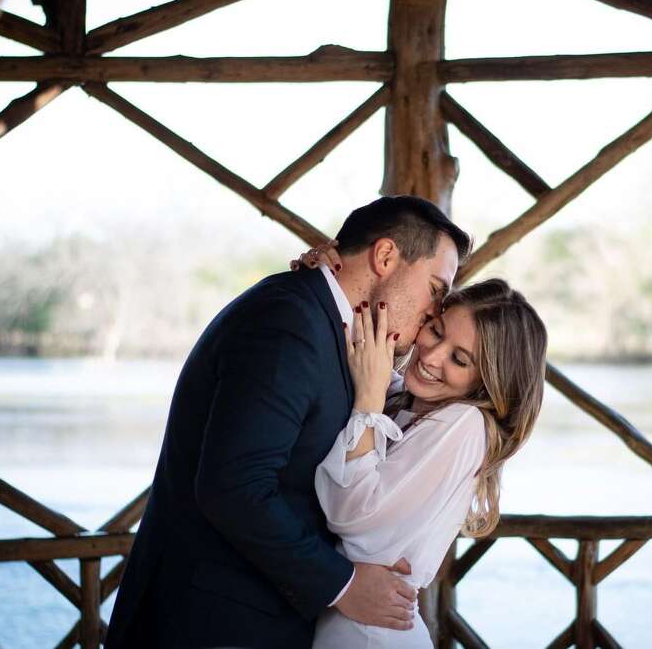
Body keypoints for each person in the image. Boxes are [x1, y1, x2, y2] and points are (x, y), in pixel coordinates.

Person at [105, 196, 472, 649]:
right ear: (385, 257)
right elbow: (234, 487)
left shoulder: (338, 333)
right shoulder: (288, 322)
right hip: (210, 623)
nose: (434, 311)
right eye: (436, 289)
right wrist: (345, 585)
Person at [292, 242, 547, 648]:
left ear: (486, 382)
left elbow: (352, 516)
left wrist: (369, 404)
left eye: (459, 360)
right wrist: (327, 276)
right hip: (346, 622)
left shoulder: (463, 425)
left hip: (370, 634)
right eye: (437, 330)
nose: (431, 356)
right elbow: (358, 343)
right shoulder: (406, 401)